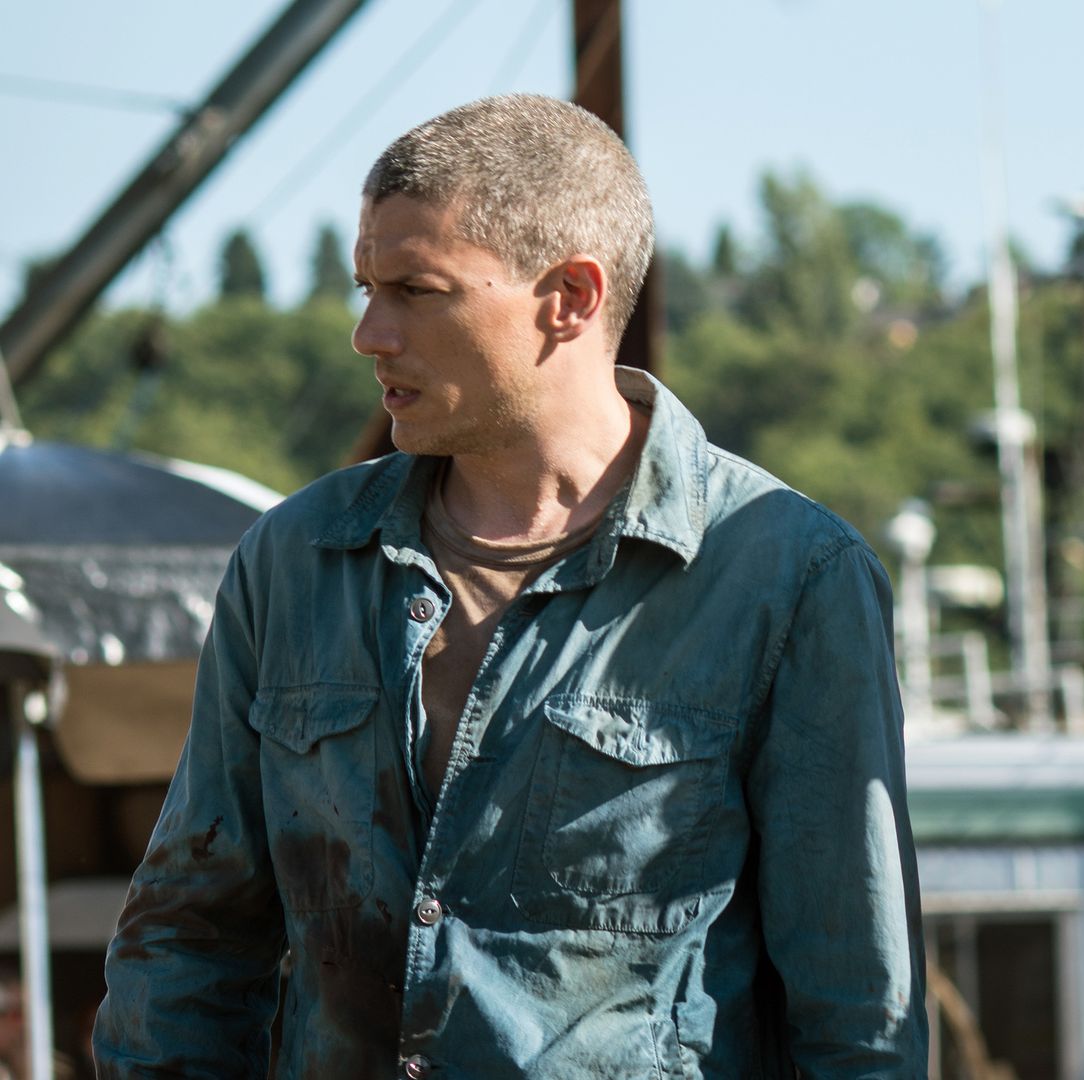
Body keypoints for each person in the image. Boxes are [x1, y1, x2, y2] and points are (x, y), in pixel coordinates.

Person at [94, 94, 926, 1077]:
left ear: (569, 297)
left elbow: (858, 1012)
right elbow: (190, 941)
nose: (369, 333)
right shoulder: (293, 563)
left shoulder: (785, 576)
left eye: (415, 289)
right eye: (365, 286)